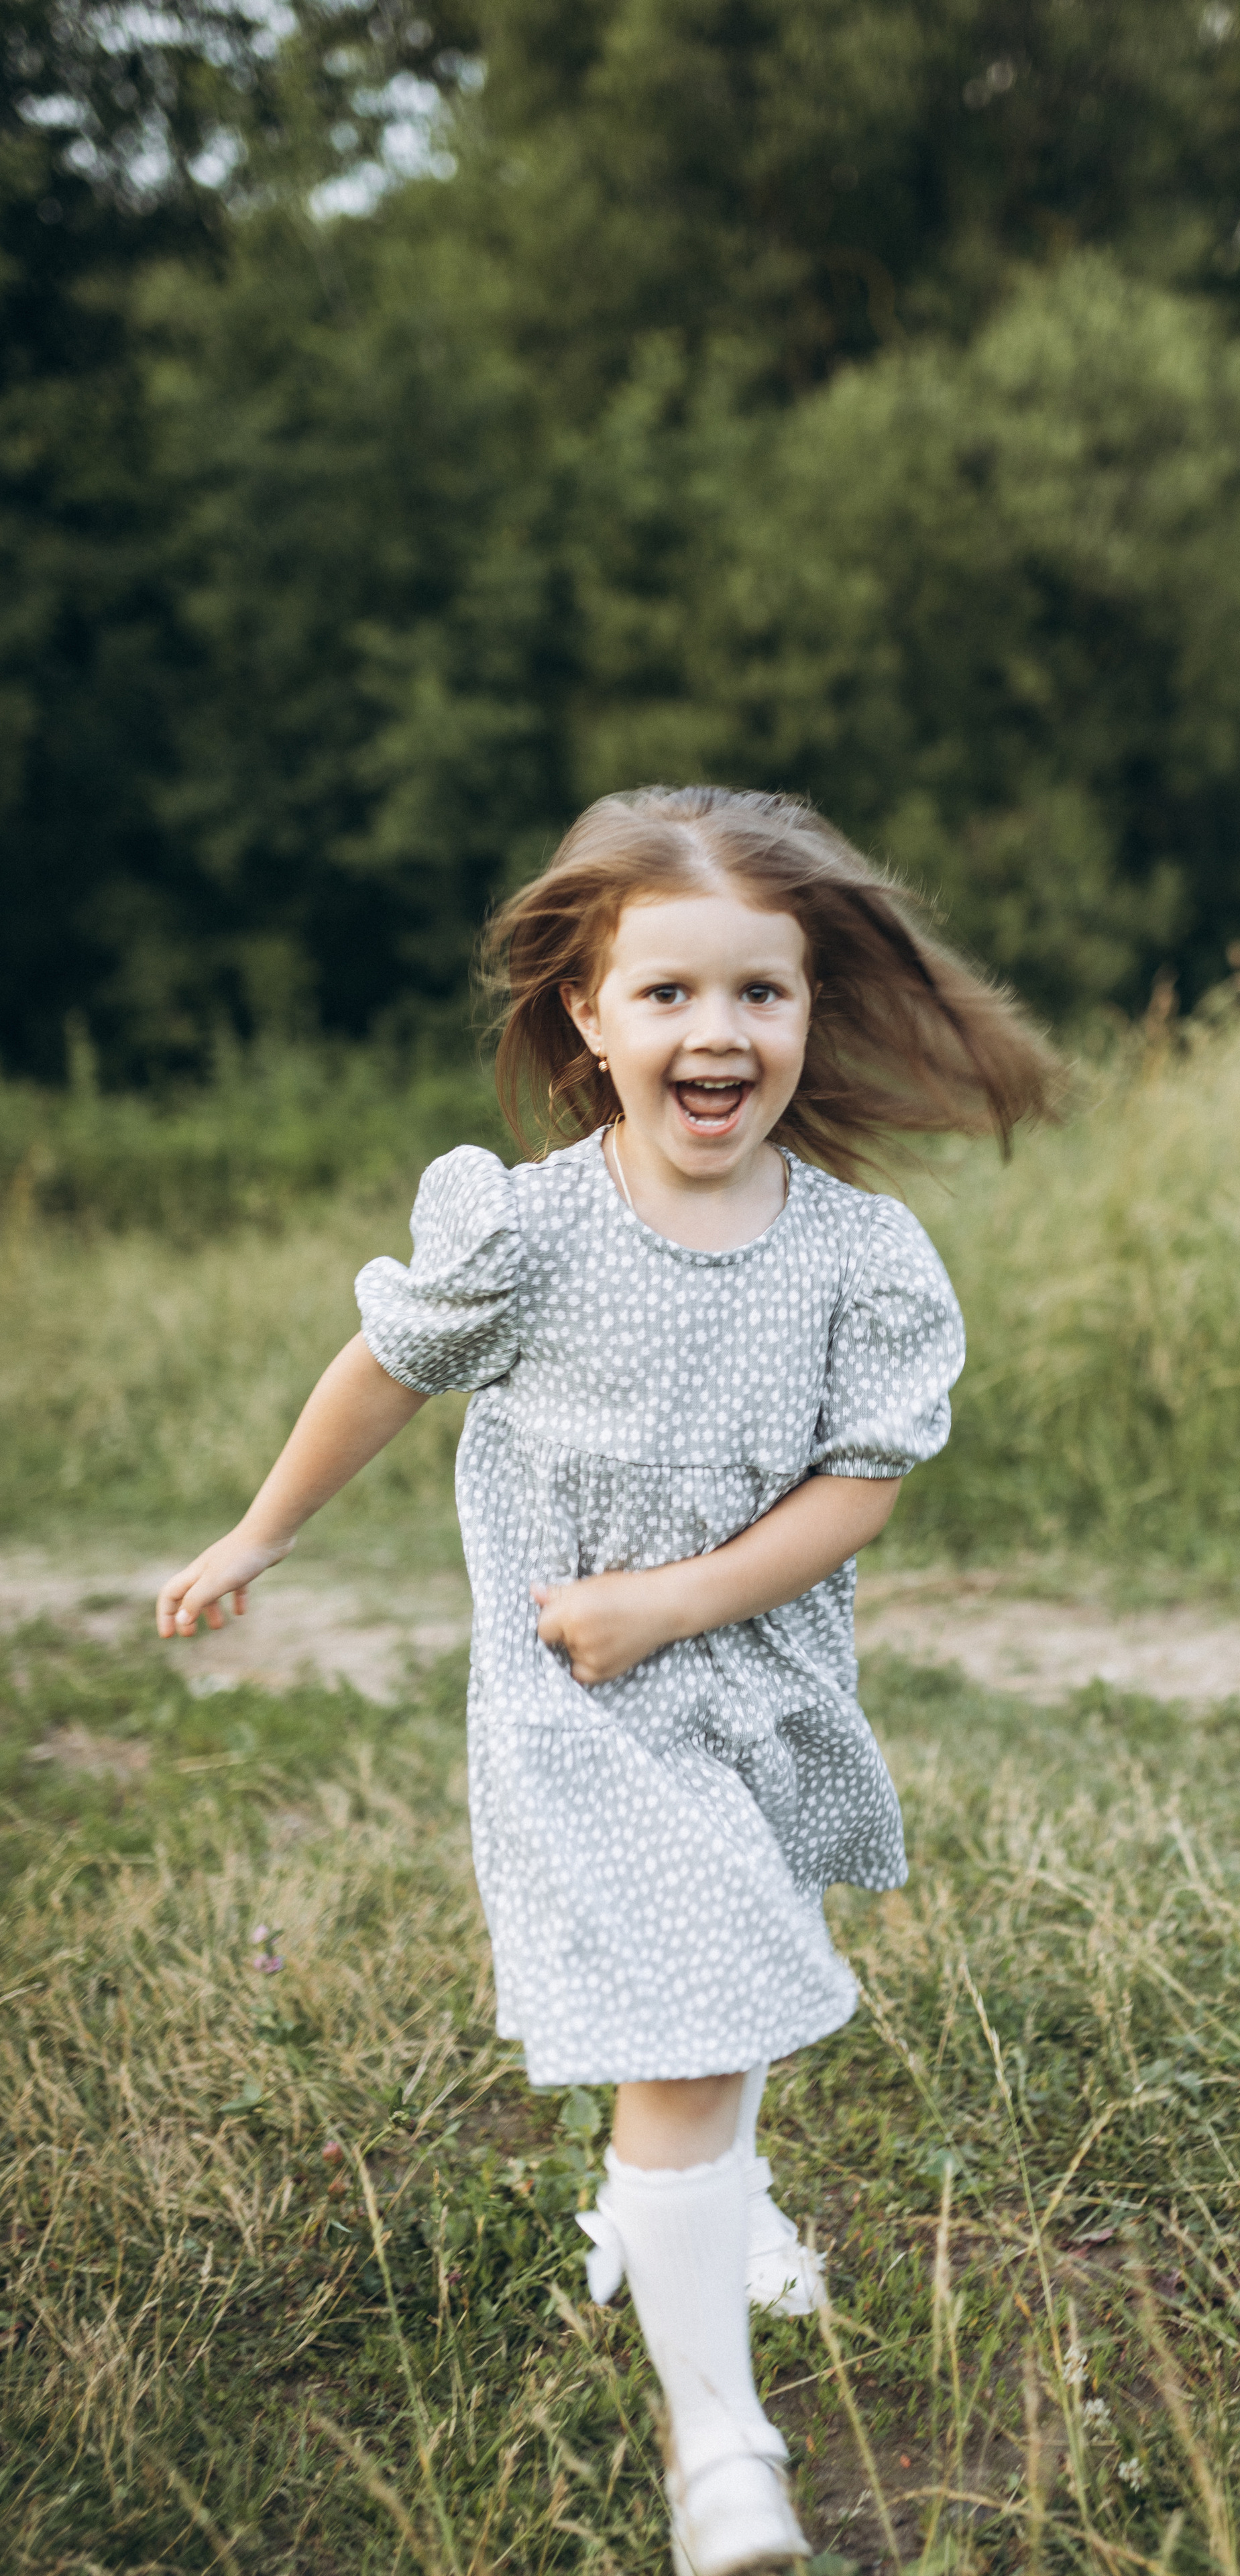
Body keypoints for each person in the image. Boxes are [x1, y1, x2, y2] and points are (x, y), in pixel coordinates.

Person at [156, 786, 1060, 2576]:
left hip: (763, 1679)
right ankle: (716, 2449)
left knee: (731, 1968)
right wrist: (260, 1534)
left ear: (810, 1012)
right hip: (582, 1702)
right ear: (588, 1016)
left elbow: (862, 1487)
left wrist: (687, 1602)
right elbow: (382, 1371)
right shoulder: (533, 1231)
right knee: (692, 2012)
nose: (716, 1033)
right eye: (667, 997)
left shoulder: (859, 1253)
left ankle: (698, 2209)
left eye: (760, 995)